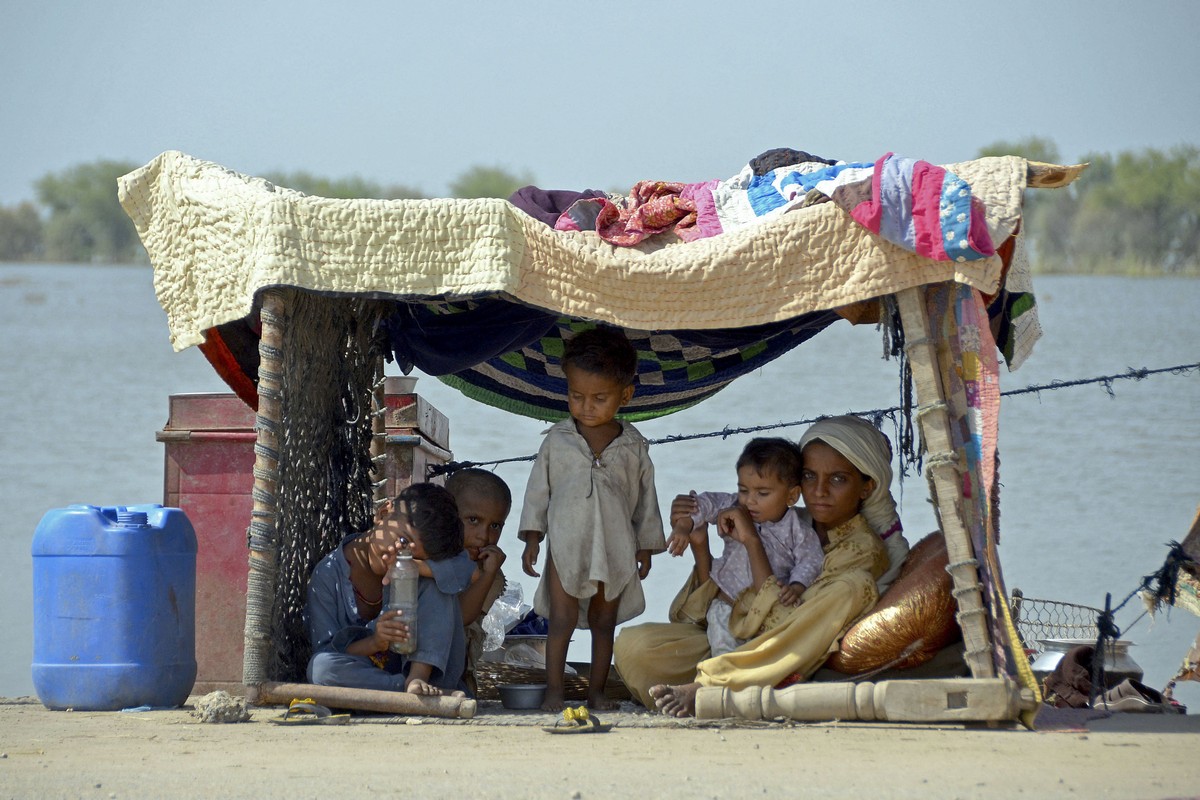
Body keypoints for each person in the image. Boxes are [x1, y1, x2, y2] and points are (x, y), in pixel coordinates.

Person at [613, 415, 906, 717]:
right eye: (809, 476)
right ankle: (723, 682)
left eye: (838, 479)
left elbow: (786, 623)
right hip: (738, 643)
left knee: (853, 587)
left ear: (866, 488)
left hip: (786, 655)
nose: (819, 491)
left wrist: (752, 541)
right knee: (635, 647)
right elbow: (713, 606)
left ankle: (714, 688)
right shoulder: (786, 518)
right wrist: (700, 544)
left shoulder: (864, 550)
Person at [519, 326, 666, 711]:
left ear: (626, 395)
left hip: (616, 549)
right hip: (566, 546)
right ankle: (554, 692)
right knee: (561, 620)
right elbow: (538, 491)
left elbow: (645, 502)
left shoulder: (634, 445)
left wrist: (647, 546)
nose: (586, 406)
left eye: (600, 398)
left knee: (604, 624)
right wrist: (533, 537)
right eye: (576, 395)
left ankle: (597, 692)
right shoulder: (556, 440)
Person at [306, 482, 476, 696]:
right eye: (402, 540)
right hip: (365, 675)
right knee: (321, 668)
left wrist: (417, 567)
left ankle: (417, 680)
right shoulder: (328, 576)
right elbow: (328, 651)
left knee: (437, 581)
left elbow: (466, 569)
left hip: (427, 675)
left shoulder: (415, 567)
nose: (400, 555)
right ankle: (410, 693)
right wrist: (375, 642)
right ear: (383, 513)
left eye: (413, 556)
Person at [665, 437, 824, 657]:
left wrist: (796, 586)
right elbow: (704, 503)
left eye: (762, 493)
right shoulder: (733, 506)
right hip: (726, 607)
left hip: (768, 615)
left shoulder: (798, 529)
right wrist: (684, 526)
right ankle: (721, 687)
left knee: (764, 658)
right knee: (725, 655)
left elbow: (811, 559)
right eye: (744, 490)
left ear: (791, 495)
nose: (750, 501)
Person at [445, 468, 512, 696]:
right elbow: (460, 617)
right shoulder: (433, 559)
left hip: (459, 677)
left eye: (495, 526)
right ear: (448, 515)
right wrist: (486, 577)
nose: (484, 536)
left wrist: (489, 575)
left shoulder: (490, 572)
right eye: (473, 520)